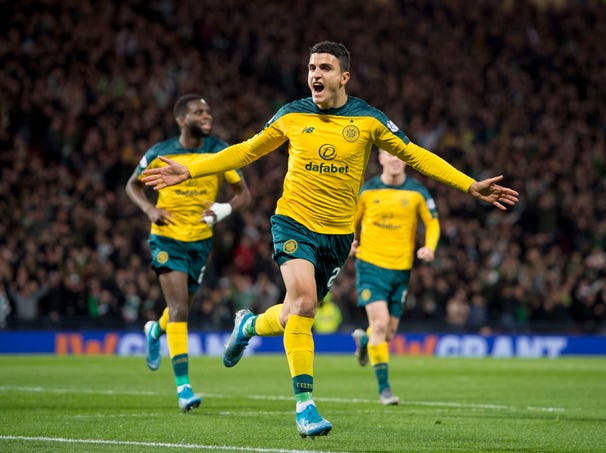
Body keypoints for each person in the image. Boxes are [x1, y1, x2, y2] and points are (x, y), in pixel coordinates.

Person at [141, 41, 519, 437]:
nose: (315, 75)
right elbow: (247, 151)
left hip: (338, 235)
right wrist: (194, 170)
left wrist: (469, 185)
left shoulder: (369, 120)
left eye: (324, 67)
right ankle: (305, 407)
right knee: (304, 303)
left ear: (344, 77)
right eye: (311, 68)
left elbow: (417, 156)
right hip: (293, 222)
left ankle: (249, 326)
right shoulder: (292, 114)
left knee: (291, 315)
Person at [125, 94, 251, 412]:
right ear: (182, 119)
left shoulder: (221, 151)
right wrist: (149, 210)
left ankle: (156, 329)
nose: (207, 116)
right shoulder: (160, 153)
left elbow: (243, 194)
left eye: (208, 111)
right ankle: (184, 389)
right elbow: (132, 186)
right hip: (167, 238)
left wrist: (221, 210)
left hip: (200, 240)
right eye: (199, 112)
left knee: (181, 310)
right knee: (179, 309)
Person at [350, 149, 441, 406]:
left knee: (387, 334)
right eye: (389, 154)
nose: (395, 159)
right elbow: (349, 219)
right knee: (379, 324)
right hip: (370, 266)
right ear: (380, 158)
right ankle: (385, 390)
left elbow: (432, 222)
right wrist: (350, 242)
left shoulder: (417, 193)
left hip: (401, 270)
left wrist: (430, 247)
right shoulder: (367, 191)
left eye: (399, 155)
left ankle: (365, 341)